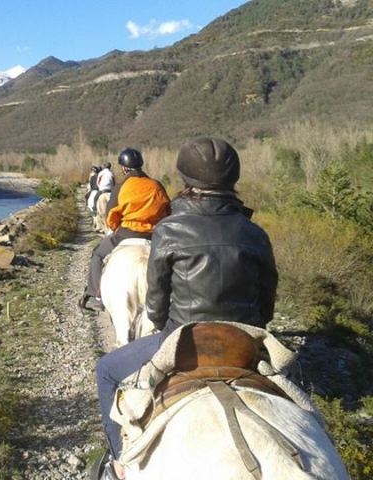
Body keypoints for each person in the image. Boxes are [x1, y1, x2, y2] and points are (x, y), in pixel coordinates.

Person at [94, 137, 279, 479]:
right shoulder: (256, 233)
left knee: (106, 371)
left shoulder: (170, 229)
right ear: (232, 180)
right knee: (294, 389)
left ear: (186, 179)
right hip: (244, 341)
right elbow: (266, 304)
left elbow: (156, 304)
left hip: (182, 341)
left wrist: (164, 327)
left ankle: (120, 461)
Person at [79, 148, 171, 312]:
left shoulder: (121, 187)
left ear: (123, 168)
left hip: (127, 233)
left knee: (98, 255)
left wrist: (116, 229)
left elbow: (111, 217)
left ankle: (94, 296)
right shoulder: (157, 186)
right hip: (155, 235)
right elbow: (167, 212)